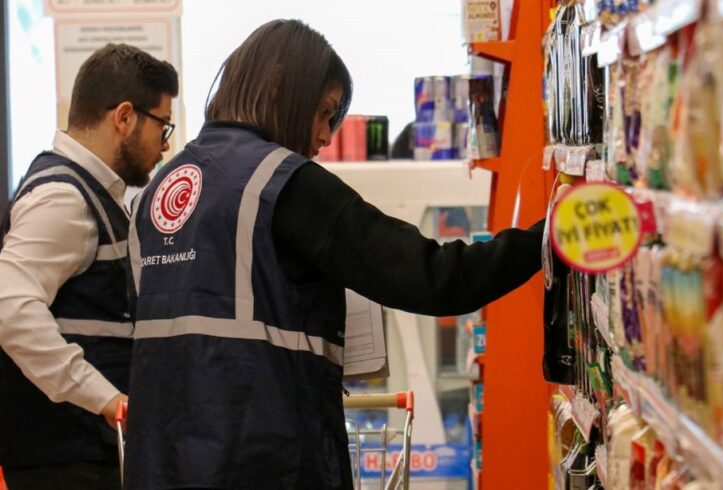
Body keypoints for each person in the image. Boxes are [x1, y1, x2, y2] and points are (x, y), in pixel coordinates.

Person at [125, 19, 544, 490]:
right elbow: (436, 277)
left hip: (159, 464)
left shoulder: (156, 193)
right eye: (324, 113)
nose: (325, 137)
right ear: (285, 87)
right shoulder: (283, 184)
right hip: (264, 461)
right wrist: (547, 239)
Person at [0, 44, 178, 489]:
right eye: (163, 125)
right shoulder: (65, 197)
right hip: (66, 462)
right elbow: (10, 308)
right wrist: (108, 400)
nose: (166, 143)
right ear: (124, 117)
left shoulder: (93, 194)